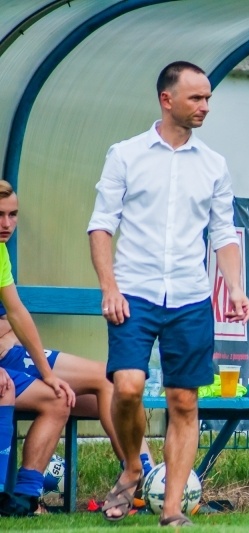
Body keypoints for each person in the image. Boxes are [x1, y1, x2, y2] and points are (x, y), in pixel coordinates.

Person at [87, 60, 249, 527]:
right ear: (167, 99)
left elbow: (224, 234)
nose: (205, 106)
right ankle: (133, 466)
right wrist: (109, 288)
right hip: (133, 295)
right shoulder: (125, 154)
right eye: (196, 98)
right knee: (128, 387)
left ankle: (173, 509)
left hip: (190, 299)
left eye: (208, 98)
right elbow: (101, 226)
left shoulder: (214, 164)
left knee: (184, 401)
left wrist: (235, 288)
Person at [0, 300, 155, 482]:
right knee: (84, 393)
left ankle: (145, 473)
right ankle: (139, 476)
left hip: (12, 353)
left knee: (112, 384)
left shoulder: (4, 281)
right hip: (6, 363)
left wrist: (10, 334)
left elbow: (14, 318)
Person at [0, 180, 76, 517]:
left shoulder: (1, 253)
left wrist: (48, 374)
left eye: (13, 214)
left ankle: (25, 498)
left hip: (11, 358)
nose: (6, 224)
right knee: (3, 387)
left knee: (58, 397)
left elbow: (17, 313)